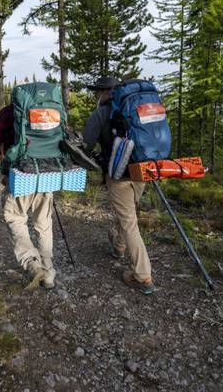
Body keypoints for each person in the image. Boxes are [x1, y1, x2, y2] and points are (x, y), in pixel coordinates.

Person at [82, 76, 156, 294]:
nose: (96, 96)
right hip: (143, 170)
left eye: (98, 92)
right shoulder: (134, 107)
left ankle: (142, 276)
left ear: (106, 92)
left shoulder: (101, 112)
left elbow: (86, 144)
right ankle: (119, 246)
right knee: (127, 214)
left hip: (119, 174)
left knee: (128, 221)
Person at [0, 101, 56, 290]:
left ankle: (33, 264)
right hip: (48, 173)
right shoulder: (47, 110)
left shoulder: (7, 112)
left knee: (15, 218)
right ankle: (49, 271)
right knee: (44, 222)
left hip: (20, 175)